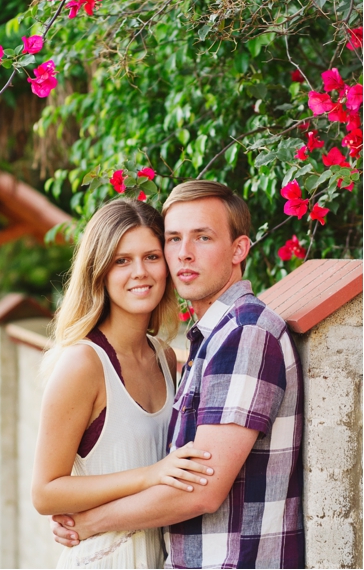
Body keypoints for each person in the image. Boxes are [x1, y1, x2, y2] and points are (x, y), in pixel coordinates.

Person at [51, 181, 305, 569]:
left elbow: (200, 491)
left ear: (239, 249)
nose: (184, 254)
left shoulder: (245, 334)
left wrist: (90, 522)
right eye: (173, 239)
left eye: (202, 237)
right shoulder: (210, 339)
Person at [33, 198, 214, 568]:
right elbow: (46, 492)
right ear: (99, 271)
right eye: (121, 261)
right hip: (101, 557)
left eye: (151, 256)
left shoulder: (165, 357)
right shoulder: (83, 363)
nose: (140, 272)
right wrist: (151, 475)